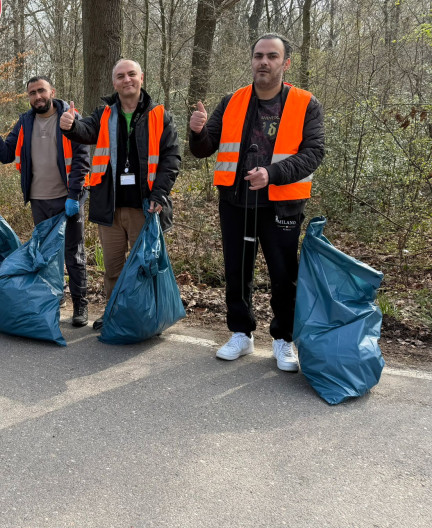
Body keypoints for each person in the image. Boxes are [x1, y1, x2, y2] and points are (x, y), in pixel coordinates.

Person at [188, 33, 325, 372]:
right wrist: (197, 131)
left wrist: (273, 172)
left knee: (284, 274)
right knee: (236, 270)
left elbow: (314, 153)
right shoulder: (232, 100)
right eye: (259, 56)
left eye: (272, 56)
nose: (264, 61)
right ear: (251, 61)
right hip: (235, 201)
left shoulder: (305, 103)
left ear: (285, 63)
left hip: (282, 203)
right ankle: (241, 333)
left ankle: (283, 339)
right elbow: (204, 149)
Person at [60, 59, 181, 330]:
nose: (126, 80)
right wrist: (70, 126)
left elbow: (171, 158)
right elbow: (86, 130)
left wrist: (159, 194)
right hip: (110, 207)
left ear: (141, 77)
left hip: (145, 207)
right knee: (113, 268)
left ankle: (146, 315)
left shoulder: (160, 115)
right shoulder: (104, 113)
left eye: (131, 74)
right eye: (120, 76)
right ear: (114, 82)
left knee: (144, 266)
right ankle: (113, 311)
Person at [0, 76, 91, 327]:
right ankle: (54, 297)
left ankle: (80, 304)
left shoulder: (70, 116)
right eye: (32, 93)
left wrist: (74, 195)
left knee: (74, 253)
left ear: (52, 91)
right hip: (39, 199)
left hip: (68, 199)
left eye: (41, 91)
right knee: (46, 254)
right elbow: (7, 154)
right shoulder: (25, 121)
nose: (37, 96)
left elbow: (82, 159)